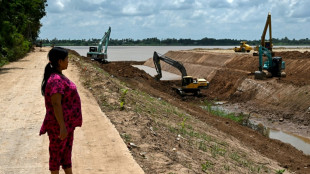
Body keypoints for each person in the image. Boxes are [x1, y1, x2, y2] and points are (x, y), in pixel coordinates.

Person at [40, 47, 82, 174]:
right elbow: (56, 104)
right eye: (66, 59)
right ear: (59, 61)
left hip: (67, 126)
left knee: (65, 155)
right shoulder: (55, 80)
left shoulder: (58, 76)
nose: (68, 61)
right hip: (58, 126)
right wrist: (62, 127)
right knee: (56, 156)